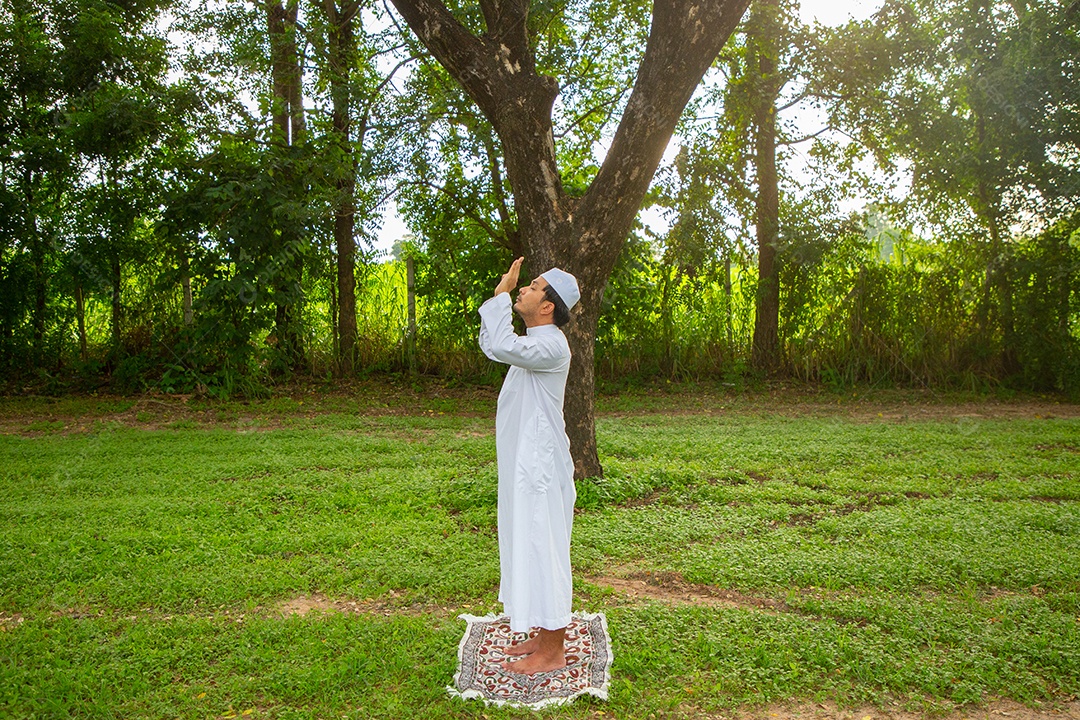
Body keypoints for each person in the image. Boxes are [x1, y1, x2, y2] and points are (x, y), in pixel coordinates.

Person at [477, 256, 580, 675]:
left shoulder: (551, 344)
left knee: (544, 547)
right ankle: (543, 633)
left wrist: (501, 295)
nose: (523, 289)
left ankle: (554, 652)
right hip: (527, 462)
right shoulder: (534, 344)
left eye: (532, 286)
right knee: (529, 543)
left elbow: (500, 345)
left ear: (547, 306)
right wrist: (501, 302)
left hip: (538, 466)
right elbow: (492, 344)